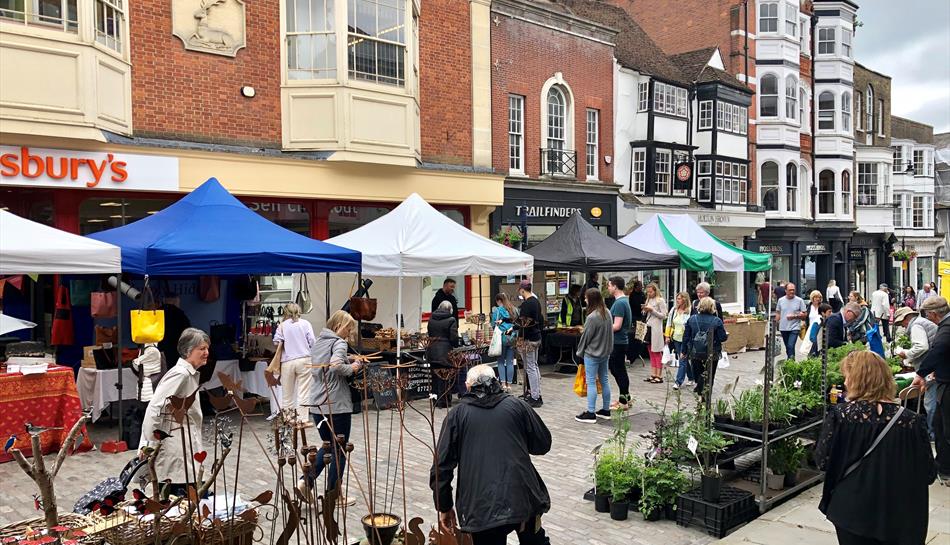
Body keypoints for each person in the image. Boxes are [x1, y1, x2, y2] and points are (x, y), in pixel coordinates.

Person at [816, 351, 935, 545]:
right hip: (900, 515)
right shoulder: (911, 420)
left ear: (857, 380)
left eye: (847, 376)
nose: (845, 383)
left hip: (852, 509)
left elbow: (823, 461)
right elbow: (928, 473)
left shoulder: (841, 416)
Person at [431, 365, 551, 545]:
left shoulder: (457, 415)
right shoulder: (517, 405)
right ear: (495, 381)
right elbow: (542, 444)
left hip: (481, 504)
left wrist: (444, 506)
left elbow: (441, 467)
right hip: (522, 495)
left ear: (467, 386)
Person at [139, 328, 209, 496]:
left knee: (192, 496)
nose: (206, 352)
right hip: (175, 446)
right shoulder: (180, 374)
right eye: (202, 349)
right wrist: (149, 444)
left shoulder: (189, 373)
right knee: (180, 499)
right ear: (188, 351)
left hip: (186, 445)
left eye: (207, 348)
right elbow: (155, 407)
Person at [304, 310, 363, 505]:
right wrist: (353, 367)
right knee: (340, 448)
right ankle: (333, 494)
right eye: (348, 328)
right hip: (335, 404)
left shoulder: (319, 341)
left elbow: (328, 363)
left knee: (329, 446)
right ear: (339, 326)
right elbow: (336, 366)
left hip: (316, 404)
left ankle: (306, 482)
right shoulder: (339, 342)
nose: (349, 332)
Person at [913, 296, 950, 484]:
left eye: (928, 314)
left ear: (934, 314)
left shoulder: (945, 328)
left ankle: (946, 470)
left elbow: (940, 348)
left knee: (945, 428)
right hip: (944, 377)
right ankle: (943, 467)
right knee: (938, 425)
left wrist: (921, 373)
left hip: (948, 386)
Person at [893, 305, 938, 438]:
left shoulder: (916, 325)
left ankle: (931, 433)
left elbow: (922, 346)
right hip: (935, 367)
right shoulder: (922, 323)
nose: (902, 326)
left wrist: (905, 353)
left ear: (907, 318)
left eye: (902, 323)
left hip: (932, 369)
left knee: (930, 402)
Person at [272, 303, 316, 425]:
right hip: (304, 360)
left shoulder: (282, 326)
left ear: (285, 312)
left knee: (287, 393)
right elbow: (312, 341)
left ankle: (288, 418)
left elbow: (276, 343)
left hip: (287, 361)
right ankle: (302, 419)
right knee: (303, 391)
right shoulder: (306, 324)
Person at [574, 288, 613, 423]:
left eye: (586, 298)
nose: (584, 300)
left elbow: (586, 337)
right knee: (604, 380)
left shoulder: (592, 317)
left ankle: (591, 413)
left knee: (591, 382)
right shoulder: (607, 312)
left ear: (591, 299)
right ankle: (606, 409)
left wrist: (579, 352)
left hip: (592, 353)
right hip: (605, 352)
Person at [682, 297, 728, 396]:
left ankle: (700, 395)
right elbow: (723, 337)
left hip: (695, 352)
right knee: (709, 376)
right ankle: (705, 398)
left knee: (699, 375)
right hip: (712, 353)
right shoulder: (717, 321)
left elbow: (686, 337)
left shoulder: (692, 319)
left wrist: (683, 351)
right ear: (712, 307)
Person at [515, 280, 543, 408]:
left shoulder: (527, 304)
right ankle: (535, 393)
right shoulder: (536, 301)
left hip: (528, 338)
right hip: (536, 336)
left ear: (522, 290)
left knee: (530, 367)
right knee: (534, 366)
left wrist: (519, 339)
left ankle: (535, 397)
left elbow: (523, 325)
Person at [428, 300, 460, 408]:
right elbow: (453, 337)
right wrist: (455, 345)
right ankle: (444, 401)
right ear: (450, 309)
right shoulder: (451, 320)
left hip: (432, 351)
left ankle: (435, 400)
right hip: (445, 352)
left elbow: (429, 333)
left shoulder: (431, 319)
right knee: (445, 377)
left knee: (434, 377)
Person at [607, 277, 633, 408]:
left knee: (618, 369)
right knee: (618, 369)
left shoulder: (620, 303)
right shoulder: (622, 301)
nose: (608, 288)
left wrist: (603, 328)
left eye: (609, 285)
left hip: (618, 342)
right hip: (619, 341)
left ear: (615, 286)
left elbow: (617, 325)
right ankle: (626, 397)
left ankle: (623, 401)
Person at [642, 283, 668, 384]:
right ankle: (653, 373)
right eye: (647, 292)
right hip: (648, 327)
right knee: (650, 351)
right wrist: (645, 310)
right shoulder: (648, 300)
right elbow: (647, 314)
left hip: (656, 328)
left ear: (655, 291)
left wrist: (652, 310)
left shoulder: (660, 300)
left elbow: (664, 315)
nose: (649, 293)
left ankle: (659, 375)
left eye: (651, 292)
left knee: (656, 351)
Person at [491, 293, 517, 393]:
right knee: (510, 361)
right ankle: (509, 385)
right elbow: (515, 323)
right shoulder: (513, 309)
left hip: (501, 338)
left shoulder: (497, 310)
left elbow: (493, 324)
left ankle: (503, 384)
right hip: (511, 337)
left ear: (498, 301)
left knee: (501, 361)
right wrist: (509, 332)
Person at [668, 291, 693, 390]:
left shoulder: (690, 310)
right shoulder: (674, 310)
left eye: (679, 299)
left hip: (686, 339)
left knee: (682, 360)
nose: (677, 301)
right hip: (676, 337)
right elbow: (669, 322)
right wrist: (667, 335)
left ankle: (678, 382)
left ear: (684, 300)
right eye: (677, 298)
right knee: (683, 359)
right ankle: (691, 377)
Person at [775, 283, 806, 360]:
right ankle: (790, 361)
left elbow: (805, 314)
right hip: (783, 327)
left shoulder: (799, 300)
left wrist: (794, 316)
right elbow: (778, 312)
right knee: (787, 347)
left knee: (790, 345)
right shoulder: (781, 300)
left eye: (793, 290)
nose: (792, 291)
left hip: (795, 327)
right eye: (790, 290)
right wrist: (775, 322)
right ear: (785, 290)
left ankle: (791, 362)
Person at [626, 280, 647, 364]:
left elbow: (645, 301)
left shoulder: (642, 294)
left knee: (641, 335)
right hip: (635, 316)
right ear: (636, 287)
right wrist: (640, 306)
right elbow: (634, 305)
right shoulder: (632, 295)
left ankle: (638, 351)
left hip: (641, 316)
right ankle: (633, 353)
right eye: (640, 286)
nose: (641, 288)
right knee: (635, 335)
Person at [806, 290, 824, 356]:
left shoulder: (822, 307)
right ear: (812, 298)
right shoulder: (809, 307)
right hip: (810, 329)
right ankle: (811, 358)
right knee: (810, 346)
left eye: (819, 297)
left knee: (818, 346)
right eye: (815, 297)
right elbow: (806, 317)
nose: (817, 299)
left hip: (819, 329)